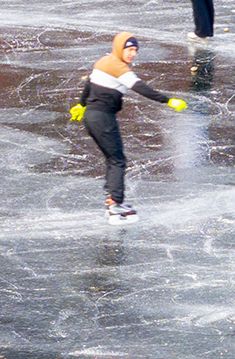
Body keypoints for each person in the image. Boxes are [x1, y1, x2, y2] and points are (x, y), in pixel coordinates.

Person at [69, 32, 187, 223]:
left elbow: (89, 85)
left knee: (112, 157)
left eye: (135, 50)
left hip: (92, 116)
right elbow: (140, 87)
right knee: (117, 159)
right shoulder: (119, 67)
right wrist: (168, 100)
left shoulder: (103, 61)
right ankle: (115, 205)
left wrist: (82, 104)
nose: (132, 54)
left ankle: (112, 198)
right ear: (119, 48)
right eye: (129, 49)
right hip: (103, 118)